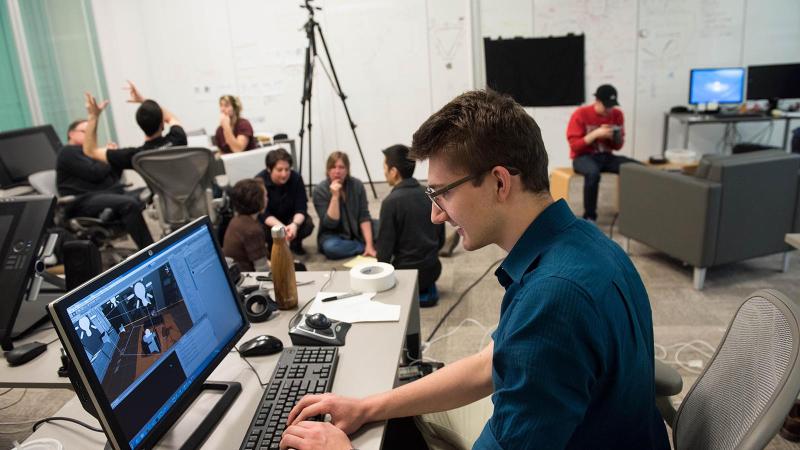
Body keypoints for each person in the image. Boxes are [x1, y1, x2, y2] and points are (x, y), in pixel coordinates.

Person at [281, 90, 669, 450]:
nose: (435, 215)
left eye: (442, 193)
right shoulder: (584, 241)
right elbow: (491, 362)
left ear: (499, 182)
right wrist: (365, 407)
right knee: (395, 411)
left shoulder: (553, 297)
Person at [56, 119, 154, 249]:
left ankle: (113, 214)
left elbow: (113, 178)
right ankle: (149, 250)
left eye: (92, 132)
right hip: (83, 200)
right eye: (85, 131)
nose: (89, 135)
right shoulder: (68, 152)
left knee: (152, 189)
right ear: (71, 134)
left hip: (107, 194)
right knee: (128, 204)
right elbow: (95, 173)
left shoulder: (90, 152)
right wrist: (106, 156)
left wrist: (112, 158)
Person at [377, 144, 444, 307]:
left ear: (393, 172)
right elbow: (440, 240)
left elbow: (384, 255)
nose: (384, 172)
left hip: (404, 276)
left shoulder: (390, 203)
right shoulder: (430, 195)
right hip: (432, 271)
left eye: (385, 167)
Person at [566, 84, 638, 221]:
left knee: (636, 169)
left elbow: (618, 146)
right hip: (583, 157)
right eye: (606, 106)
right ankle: (590, 217)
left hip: (606, 157)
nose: (609, 110)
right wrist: (596, 134)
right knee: (593, 174)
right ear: (597, 102)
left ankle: (634, 212)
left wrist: (614, 136)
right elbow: (575, 146)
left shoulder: (617, 115)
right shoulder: (580, 114)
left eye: (612, 106)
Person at [82, 81, 187, 172]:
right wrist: (143, 101)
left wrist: (93, 117)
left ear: (139, 125)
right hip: (191, 193)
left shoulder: (136, 156)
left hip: (162, 195)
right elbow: (171, 118)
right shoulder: (178, 138)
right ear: (162, 124)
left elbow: (90, 150)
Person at [312, 152, 376, 259]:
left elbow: (364, 216)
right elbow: (330, 223)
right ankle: (361, 246)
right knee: (331, 248)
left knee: (383, 227)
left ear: (347, 169)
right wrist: (335, 197)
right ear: (328, 170)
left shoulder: (357, 185)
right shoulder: (320, 190)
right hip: (333, 236)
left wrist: (370, 244)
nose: (337, 171)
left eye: (341, 167)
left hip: (357, 230)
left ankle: (367, 245)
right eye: (333, 167)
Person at [255, 148, 314, 255]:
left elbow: (301, 207)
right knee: (260, 229)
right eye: (279, 170)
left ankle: (295, 243)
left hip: (290, 217)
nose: (284, 174)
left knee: (307, 224)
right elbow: (263, 213)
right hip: (270, 221)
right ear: (269, 169)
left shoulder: (296, 178)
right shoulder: (260, 181)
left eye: (287, 169)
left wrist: (294, 225)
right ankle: (272, 247)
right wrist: (281, 228)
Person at [223, 178, 270, 272]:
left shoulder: (236, 220)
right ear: (257, 200)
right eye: (265, 196)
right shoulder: (253, 230)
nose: (267, 199)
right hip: (247, 278)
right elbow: (262, 270)